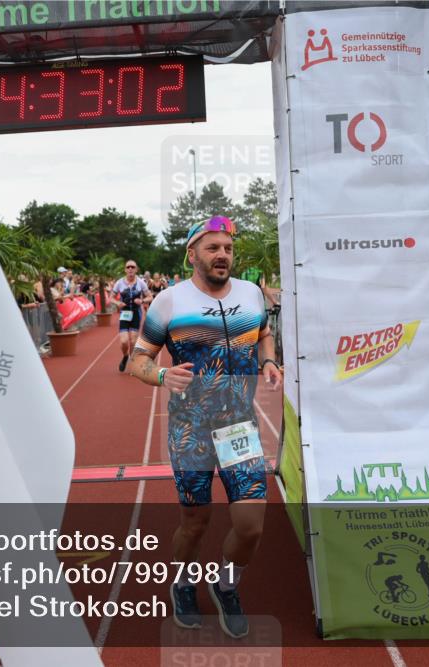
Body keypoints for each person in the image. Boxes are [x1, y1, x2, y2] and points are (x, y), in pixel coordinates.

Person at [128, 215, 283, 639]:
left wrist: (267, 359)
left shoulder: (252, 294)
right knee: (195, 523)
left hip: (239, 427)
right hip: (190, 431)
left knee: (251, 525)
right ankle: (182, 583)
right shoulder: (169, 302)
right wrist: (161, 376)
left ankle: (225, 584)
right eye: (213, 248)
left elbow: (265, 332)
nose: (222, 256)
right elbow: (136, 360)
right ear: (192, 253)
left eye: (228, 249)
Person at [112, 259, 150, 372]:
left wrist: (142, 301)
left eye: (132, 267)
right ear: (125, 269)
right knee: (124, 341)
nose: (130, 269)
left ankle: (133, 361)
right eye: (128, 267)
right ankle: (125, 356)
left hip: (136, 314)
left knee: (133, 340)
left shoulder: (141, 282)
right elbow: (111, 297)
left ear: (136, 269)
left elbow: (150, 297)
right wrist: (117, 303)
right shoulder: (119, 283)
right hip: (124, 314)